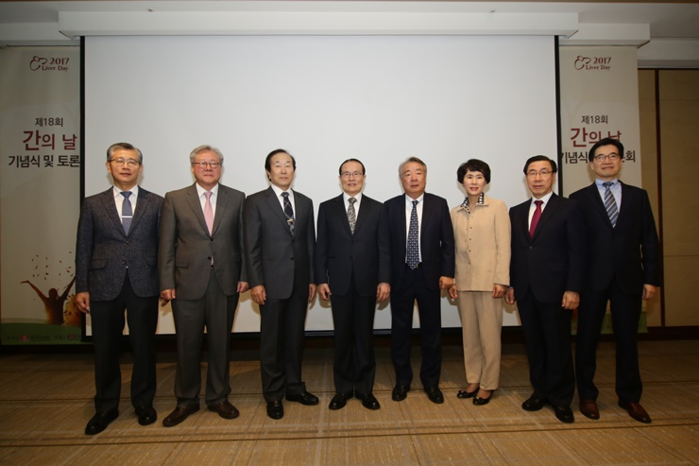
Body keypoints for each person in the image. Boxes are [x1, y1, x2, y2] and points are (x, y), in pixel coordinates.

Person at [75, 142, 162, 435]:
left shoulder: (157, 203)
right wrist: (82, 286)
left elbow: (164, 247)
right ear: (108, 165)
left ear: (140, 167)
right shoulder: (93, 203)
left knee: (144, 347)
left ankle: (143, 402)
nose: (126, 166)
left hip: (144, 282)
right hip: (103, 284)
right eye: (119, 160)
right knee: (105, 348)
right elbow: (83, 246)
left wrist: (165, 283)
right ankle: (106, 406)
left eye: (132, 161)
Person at [572, 138, 660, 424]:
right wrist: (573, 284)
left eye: (612, 156)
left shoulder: (638, 196)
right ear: (591, 164)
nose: (606, 161)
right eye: (600, 157)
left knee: (627, 340)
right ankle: (587, 395)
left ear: (621, 160)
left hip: (628, 279)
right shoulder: (578, 199)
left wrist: (651, 278)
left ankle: (630, 396)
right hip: (591, 281)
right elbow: (575, 246)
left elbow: (650, 239)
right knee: (586, 340)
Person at [158, 144, 248, 427]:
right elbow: (166, 244)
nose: (208, 168)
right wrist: (166, 281)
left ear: (221, 167)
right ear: (193, 167)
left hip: (225, 281)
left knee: (221, 343)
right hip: (186, 283)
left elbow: (243, 240)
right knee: (187, 344)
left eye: (214, 163)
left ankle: (218, 397)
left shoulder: (237, 197)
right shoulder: (175, 198)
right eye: (202, 163)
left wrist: (245, 274)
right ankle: (186, 400)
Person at [505, 155, 585, 424]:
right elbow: (515, 251)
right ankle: (540, 392)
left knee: (558, 346)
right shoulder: (516, 211)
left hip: (557, 290)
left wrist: (573, 288)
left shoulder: (569, 208)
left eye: (543, 172)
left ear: (553, 176)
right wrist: (512, 283)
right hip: (526, 290)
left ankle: (561, 398)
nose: (537, 178)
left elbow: (577, 251)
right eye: (532, 173)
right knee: (534, 345)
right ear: (526, 177)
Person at [243, 149, 317, 420]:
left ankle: (294, 387)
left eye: (288, 165)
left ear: (294, 171)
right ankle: (273, 394)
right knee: (272, 341)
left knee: (295, 339)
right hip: (271, 284)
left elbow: (309, 243)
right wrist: (256, 282)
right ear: (268, 172)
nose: (283, 170)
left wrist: (312, 278)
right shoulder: (255, 202)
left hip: (300, 283)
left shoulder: (305, 202)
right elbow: (251, 245)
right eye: (277, 165)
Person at [315, 158, 391, 411]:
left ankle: (366, 389)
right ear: (340, 179)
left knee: (364, 337)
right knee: (343, 337)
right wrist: (321, 279)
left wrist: (384, 279)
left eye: (356, 173)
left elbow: (384, 247)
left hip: (368, 282)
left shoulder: (378, 208)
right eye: (346, 174)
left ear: (364, 178)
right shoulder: (326, 208)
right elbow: (321, 247)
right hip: (338, 283)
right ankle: (343, 389)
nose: (351, 178)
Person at [383, 157, 455, 404]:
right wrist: (385, 278)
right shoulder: (389, 206)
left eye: (418, 173)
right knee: (400, 332)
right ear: (401, 179)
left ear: (425, 176)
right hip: (400, 276)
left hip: (429, 277)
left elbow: (448, 243)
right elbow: (384, 247)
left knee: (431, 332)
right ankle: (402, 380)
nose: (413, 178)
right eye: (407, 174)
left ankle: (431, 382)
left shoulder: (439, 204)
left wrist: (448, 273)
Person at [448, 159, 510, 406]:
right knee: (470, 336)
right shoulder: (455, 212)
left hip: (489, 283)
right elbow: (453, 250)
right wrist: (453, 279)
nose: (474, 182)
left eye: (479, 177)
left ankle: (488, 384)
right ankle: (473, 379)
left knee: (490, 337)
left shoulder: (497, 207)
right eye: (469, 177)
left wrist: (501, 280)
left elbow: (504, 246)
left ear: (486, 181)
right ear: (461, 181)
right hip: (464, 282)